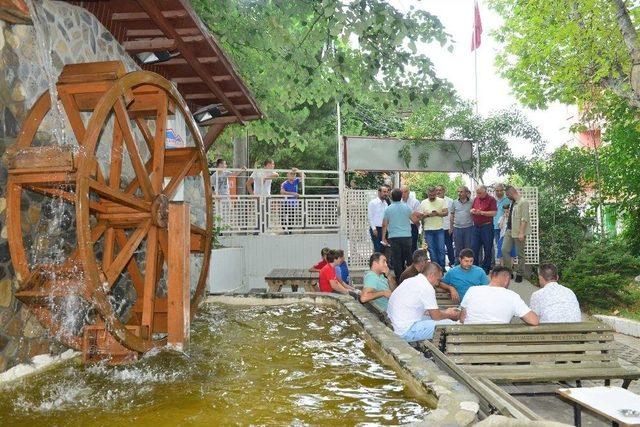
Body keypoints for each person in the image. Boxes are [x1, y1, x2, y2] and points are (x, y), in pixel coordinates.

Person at [387, 262, 460, 341]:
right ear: (432, 275)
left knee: (441, 319)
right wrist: (448, 314)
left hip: (396, 325)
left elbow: (425, 312)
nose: (438, 283)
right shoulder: (427, 287)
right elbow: (436, 316)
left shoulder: (411, 280)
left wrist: (445, 312)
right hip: (405, 331)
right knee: (452, 325)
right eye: (438, 280)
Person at [459, 266, 539, 325]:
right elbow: (534, 321)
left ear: (491, 276)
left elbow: (462, 319)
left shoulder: (472, 290)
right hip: (499, 345)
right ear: (507, 279)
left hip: (469, 343)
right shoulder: (512, 296)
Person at [382, 189, 422, 280]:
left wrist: (383, 237)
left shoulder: (388, 209)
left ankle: (400, 279)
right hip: (406, 236)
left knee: (397, 259)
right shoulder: (406, 207)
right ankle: (410, 277)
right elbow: (415, 220)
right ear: (401, 197)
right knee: (408, 258)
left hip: (393, 237)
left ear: (391, 197)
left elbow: (384, 224)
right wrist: (419, 227)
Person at [502, 185, 531, 283]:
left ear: (511, 193)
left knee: (520, 254)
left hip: (519, 232)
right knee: (504, 250)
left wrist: (522, 232)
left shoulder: (523, 202)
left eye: (507, 195)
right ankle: (509, 272)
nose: (507, 197)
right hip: (509, 230)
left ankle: (519, 273)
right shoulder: (512, 203)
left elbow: (525, 218)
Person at [470, 185, 497, 273]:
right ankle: (475, 267)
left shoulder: (491, 199)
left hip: (487, 227)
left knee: (487, 248)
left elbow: (494, 213)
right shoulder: (475, 199)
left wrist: (481, 212)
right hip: (476, 227)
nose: (478, 194)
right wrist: (472, 211)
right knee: (474, 248)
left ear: (485, 191)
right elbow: (472, 209)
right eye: (477, 193)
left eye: (480, 193)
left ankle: (486, 268)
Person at [419, 187, 448, 270]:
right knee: (432, 250)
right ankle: (435, 268)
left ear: (436, 193)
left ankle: (442, 268)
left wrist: (437, 213)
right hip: (428, 229)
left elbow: (446, 212)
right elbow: (420, 215)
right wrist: (427, 215)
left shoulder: (441, 201)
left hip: (439, 228)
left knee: (441, 249)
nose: (432, 196)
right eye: (430, 194)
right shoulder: (423, 202)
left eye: (433, 194)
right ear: (427, 193)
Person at [450, 186, 473, 262]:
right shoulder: (454, 202)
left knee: (468, 248)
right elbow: (452, 214)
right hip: (457, 228)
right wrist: (451, 227)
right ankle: (458, 264)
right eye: (458, 192)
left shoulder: (472, 202)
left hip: (468, 228)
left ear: (466, 193)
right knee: (458, 248)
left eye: (461, 192)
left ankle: (468, 264)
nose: (459, 193)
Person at [436, 185, 455, 268]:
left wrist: (452, 227)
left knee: (449, 246)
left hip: (447, 227)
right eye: (437, 190)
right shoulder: (433, 201)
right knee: (439, 248)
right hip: (437, 227)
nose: (438, 192)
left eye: (440, 190)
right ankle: (440, 264)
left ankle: (452, 262)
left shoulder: (450, 201)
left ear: (444, 191)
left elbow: (452, 214)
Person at [280, 168, 303, 232]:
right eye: (291, 174)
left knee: (291, 217)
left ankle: (290, 230)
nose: (292, 175)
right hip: (285, 203)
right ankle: (284, 229)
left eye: (294, 174)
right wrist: (292, 193)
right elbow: (282, 192)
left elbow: (304, 177)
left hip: (293, 203)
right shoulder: (284, 183)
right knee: (283, 217)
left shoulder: (296, 181)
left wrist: (298, 170)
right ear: (287, 175)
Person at [367, 185, 390, 253]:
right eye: (384, 192)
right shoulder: (373, 203)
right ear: (379, 192)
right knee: (378, 250)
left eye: (387, 192)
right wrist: (374, 229)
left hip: (384, 230)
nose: (386, 193)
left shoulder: (386, 204)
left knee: (383, 250)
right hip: (376, 229)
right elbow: (370, 216)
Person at [492, 183, 510, 265]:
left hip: (505, 228)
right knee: (498, 246)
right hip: (494, 226)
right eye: (497, 190)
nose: (499, 192)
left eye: (500, 190)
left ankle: (508, 266)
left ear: (503, 190)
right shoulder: (492, 200)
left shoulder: (508, 200)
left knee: (506, 247)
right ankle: (500, 264)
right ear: (494, 191)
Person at [401, 186, 421, 255]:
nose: (403, 194)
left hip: (412, 226)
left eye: (405, 192)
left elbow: (419, 216)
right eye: (401, 192)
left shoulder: (415, 202)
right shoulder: (398, 202)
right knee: (402, 247)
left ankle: (413, 264)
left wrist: (417, 224)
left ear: (409, 192)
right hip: (401, 227)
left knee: (412, 247)